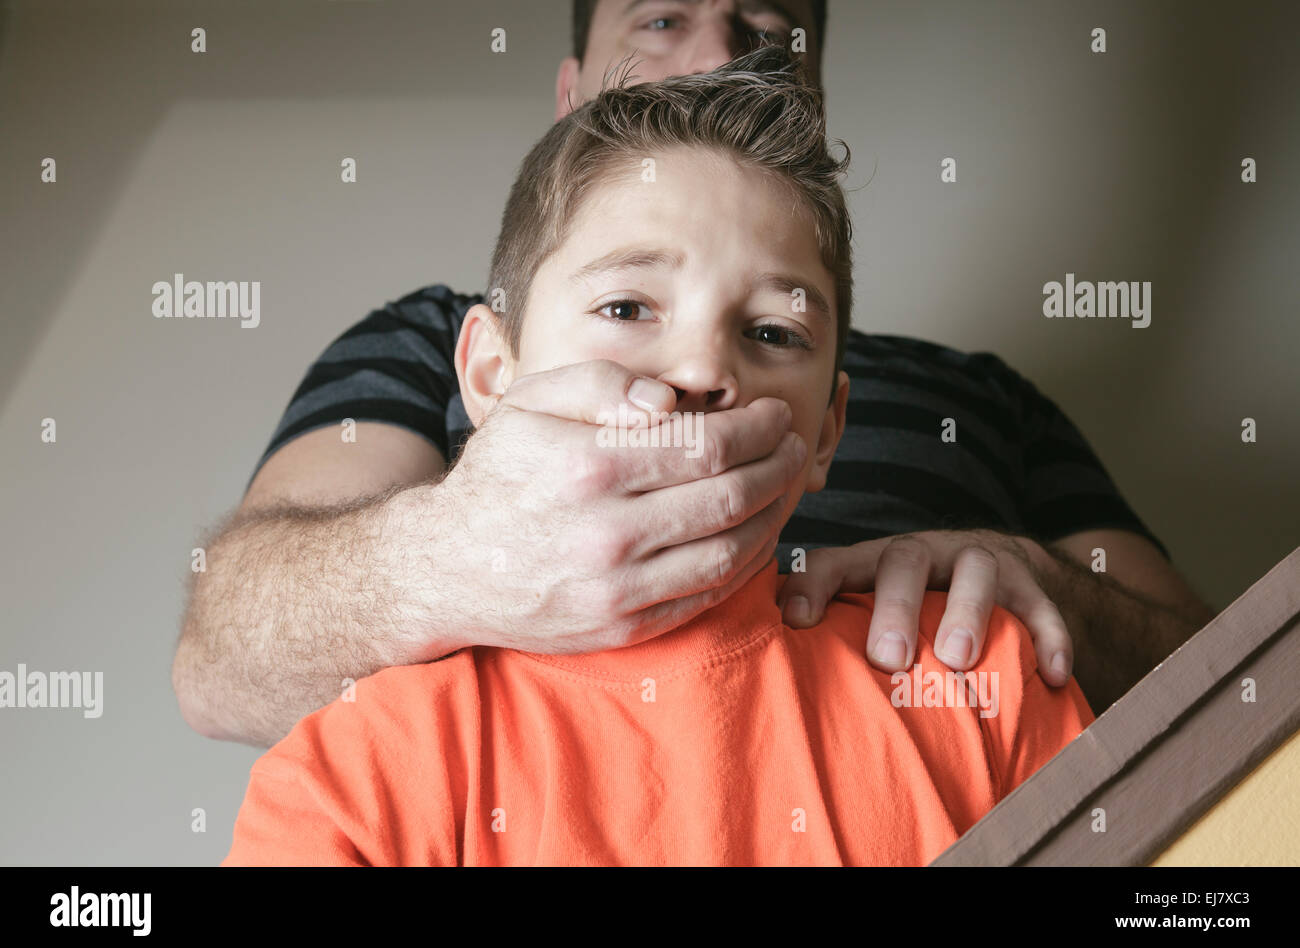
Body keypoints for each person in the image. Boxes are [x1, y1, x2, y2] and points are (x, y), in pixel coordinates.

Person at [174, 0, 1215, 751]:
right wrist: (455, 558)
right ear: (572, 91)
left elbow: (1245, 702)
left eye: (763, 32)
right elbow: (219, 664)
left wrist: (1047, 602)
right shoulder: (420, 342)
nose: (721, 53)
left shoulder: (986, 400)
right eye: (662, 18)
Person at [222, 49, 1095, 865]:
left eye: (770, 332)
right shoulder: (357, 772)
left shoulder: (986, 689)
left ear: (827, 432)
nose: (705, 370)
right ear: (490, 374)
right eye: (629, 307)